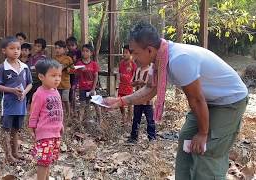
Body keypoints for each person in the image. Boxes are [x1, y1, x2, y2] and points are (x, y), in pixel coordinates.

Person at [104, 22, 248, 180]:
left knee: (206, 150)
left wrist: (203, 133)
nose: (133, 58)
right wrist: (120, 101)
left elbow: (197, 100)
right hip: (207, 101)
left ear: (150, 49)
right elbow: (149, 90)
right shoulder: (159, 59)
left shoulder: (179, 60)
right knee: (186, 139)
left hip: (229, 101)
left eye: (135, 53)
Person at [0, 36, 33, 164]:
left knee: (16, 129)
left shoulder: (24, 67)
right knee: (6, 129)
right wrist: (12, 91)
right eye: (12, 48)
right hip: (8, 105)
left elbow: (30, 84)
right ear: (4, 51)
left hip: (21, 104)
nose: (16, 51)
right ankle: (8, 155)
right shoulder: (2, 68)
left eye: (18, 48)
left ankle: (15, 152)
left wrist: (24, 93)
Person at [28, 59, 64, 180]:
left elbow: (59, 110)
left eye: (59, 75)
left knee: (48, 160)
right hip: (44, 134)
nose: (57, 79)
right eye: (53, 75)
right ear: (41, 77)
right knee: (43, 161)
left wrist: (61, 125)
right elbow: (34, 112)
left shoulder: (56, 92)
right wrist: (32, 127)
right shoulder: (40, 94)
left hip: (55, 133)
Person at [127, 63, 156, 143]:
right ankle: (133, 137)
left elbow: (153, 85)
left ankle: (152, 138)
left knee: (150, 120)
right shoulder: (137, 70)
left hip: (148, 100)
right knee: (136, 119)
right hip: (137, 100)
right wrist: (136, 83)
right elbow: (131, 83)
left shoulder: (151, 70)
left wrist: (143, 83)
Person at [75, 44, 101, 123]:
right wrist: (80, 70)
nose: (84, 53)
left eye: (87, 51)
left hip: (92, 88)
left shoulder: (94, 64)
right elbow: (76, 75)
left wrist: (93, 89)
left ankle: (99, 120)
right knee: (82, 105)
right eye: (83, 51)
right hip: (83, 88)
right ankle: (80, 122)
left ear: (91, 53)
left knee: (96, 104)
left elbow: (96, 76)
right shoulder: (79, 63)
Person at [54, 40, 74, 120]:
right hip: (56, 84)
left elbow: (73, 70)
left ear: (65, 49)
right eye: (56, 48)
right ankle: (59, 114)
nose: (57, 50)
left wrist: (69, 69)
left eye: (59, 48)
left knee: (65, 100)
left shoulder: (68, 59)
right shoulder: (53, 59)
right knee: (57, 100)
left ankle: (68, 115)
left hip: (66, 84)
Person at [118, 45, 137, 124]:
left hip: (129, 86)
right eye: (123, 52)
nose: (124, 54)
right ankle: (123, 116)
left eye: (126, 52)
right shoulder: (121, 63)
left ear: (131, 54)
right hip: (121, 85)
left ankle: (129, 118)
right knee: (120, 102)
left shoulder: (133, 64)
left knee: (129, 103)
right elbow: (119, 73)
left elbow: (135, 75)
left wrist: (133, 84)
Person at [26, 38, 47, 105]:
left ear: (42, 48)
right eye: (35, 45)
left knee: (34, 100)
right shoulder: (31, 57)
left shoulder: (43, 58)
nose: (36, 47)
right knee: (27, 99)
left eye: (39, 46)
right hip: (29, 81)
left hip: (38, 82)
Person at [66, 36, 81, 117]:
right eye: (69, 45)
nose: (70, 47)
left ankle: (75, 110)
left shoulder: (79, 52)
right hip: (70, 74)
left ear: (76, 45)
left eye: (72, 45)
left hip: (76, 74)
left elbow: (80, 62)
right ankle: (71, 110)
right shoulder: (67, 54)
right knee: (70, 92)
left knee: (73, 90)